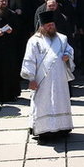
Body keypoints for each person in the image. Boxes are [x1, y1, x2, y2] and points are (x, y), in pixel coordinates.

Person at [21, 11, 75, 142]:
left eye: (52, 24)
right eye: (48, 25)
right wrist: (31, 78)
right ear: (42, 26)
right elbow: (29, 60)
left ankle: (62, 127)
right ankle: (44, 131)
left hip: (60, 79)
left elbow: (69, 49)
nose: (51, 27)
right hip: (42, 80)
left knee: (60, 101)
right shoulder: (34, 41)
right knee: (43, 104)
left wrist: (68, 56)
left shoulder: (62, 38)